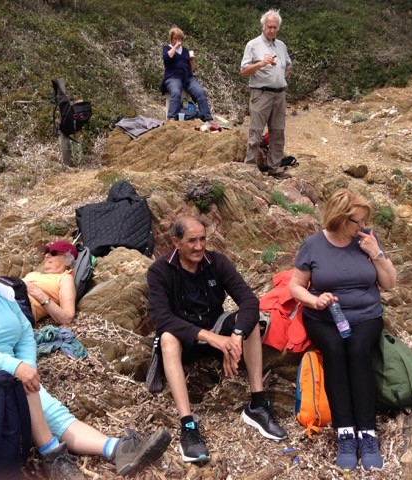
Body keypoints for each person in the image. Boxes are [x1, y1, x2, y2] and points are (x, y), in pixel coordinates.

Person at [0, 238, 171, 479]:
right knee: (21, 393)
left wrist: (27, 367)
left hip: (6, 372)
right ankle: (51, 455)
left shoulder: (1, 294)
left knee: (49, 407)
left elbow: (25, 334)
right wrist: (16, 368)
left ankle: (116, 448)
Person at [146, 215, 287, 463]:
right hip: (186, 340)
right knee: (167, 337)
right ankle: (188, 426)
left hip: (216, 327)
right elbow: (162, 318)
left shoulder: (217, 262)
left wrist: (234, 337)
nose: (199, 246)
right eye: (192, 241)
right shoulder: (159, 271)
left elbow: (249, 301)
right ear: (176, 242)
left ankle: (257, 403)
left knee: (250, 323)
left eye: (202, 239)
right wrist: (212, 338)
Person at [289, 189, 397, 471]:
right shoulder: (313, 245)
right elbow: (295, 286)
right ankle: (345, 432)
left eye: (364, 221)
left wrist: (377, 254)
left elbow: (390, 283)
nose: (362, 227)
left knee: (358, 349)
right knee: (335, 350)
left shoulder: (366, 240)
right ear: (339, 218)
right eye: (356, 222)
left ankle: (368, 432)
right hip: (324, 317)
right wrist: (316, 300)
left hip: (365, 317)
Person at [240, 9, 292, 180]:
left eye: (275, 27)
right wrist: (262, 63)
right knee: (256, 132)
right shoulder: (253, 45)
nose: (272, 30)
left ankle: (274, 167)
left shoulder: (281, 46)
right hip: (261, 94)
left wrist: (279, 76)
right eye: (270, 27)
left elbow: (288, 66)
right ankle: (250, 167)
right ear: (263, 26)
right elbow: (244, 71)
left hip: (279, 95)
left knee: (278, 132)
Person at [160, 27, 214, 123]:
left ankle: (207, 118)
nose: (178, 41)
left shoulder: (185, 51)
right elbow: (167, 58)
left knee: (200, 92)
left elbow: (192, 69)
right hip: (173, 76)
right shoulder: (167, 48)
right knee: (176, 92)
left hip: (187, 77)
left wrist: (192, 61)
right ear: (171, 39)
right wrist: (175, 47)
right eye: (175, 38)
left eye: (179, 39)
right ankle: (171, 118)